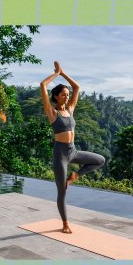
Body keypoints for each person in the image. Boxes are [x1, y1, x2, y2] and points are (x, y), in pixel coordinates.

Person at [40, 61, 105, 234]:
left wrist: (63, 73)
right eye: (63, 94)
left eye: (67, 95)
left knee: (100, 160)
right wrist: (55, 74)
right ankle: (65, 223)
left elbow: (77, 87)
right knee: (62, 191)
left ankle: (74, 176)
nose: (67, 97)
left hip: (73, 151)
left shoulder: (70, 109)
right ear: (55, 97)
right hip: (60, 154)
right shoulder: (52, 112)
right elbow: (43, 85)